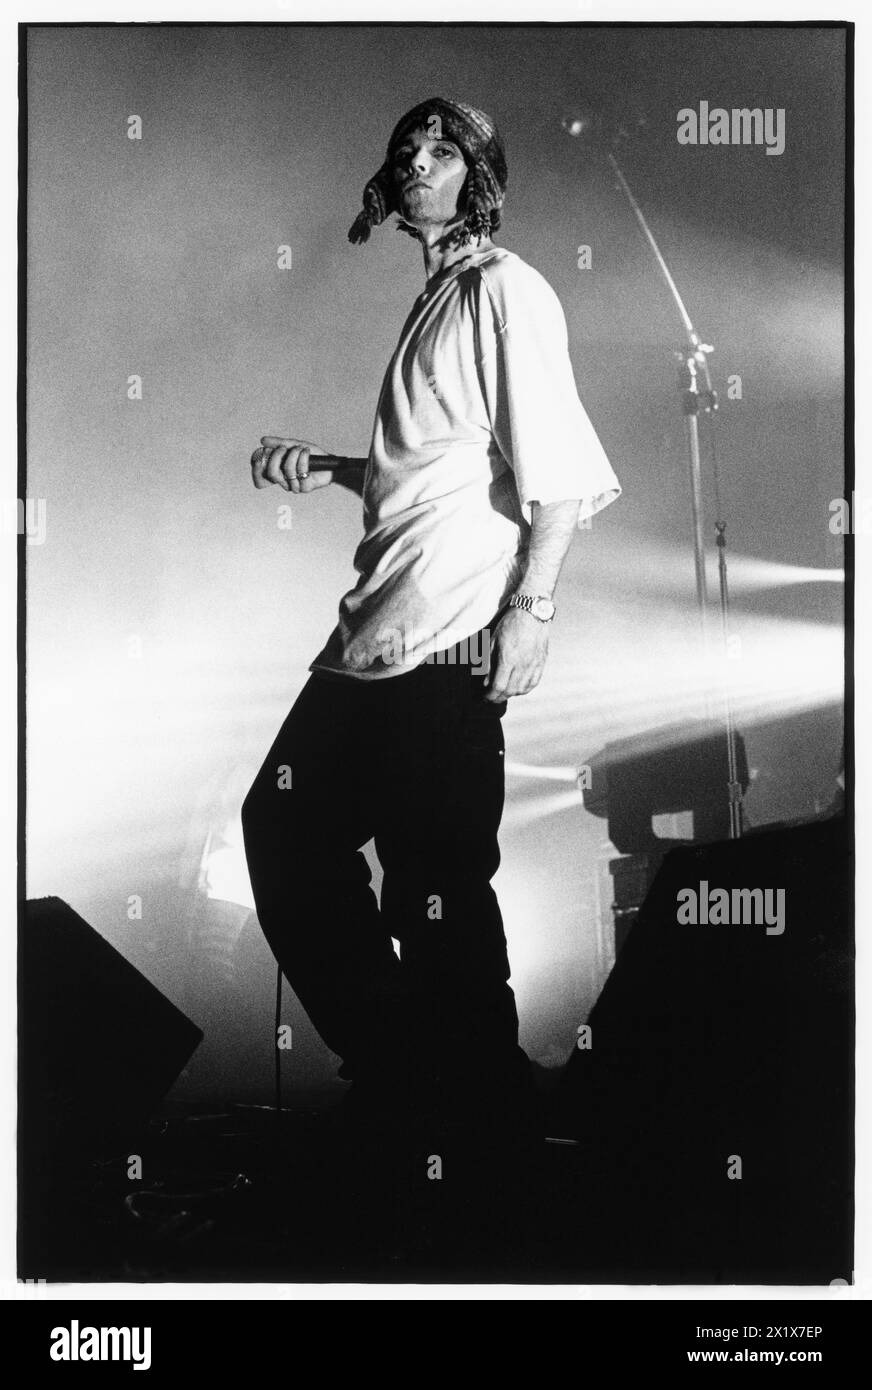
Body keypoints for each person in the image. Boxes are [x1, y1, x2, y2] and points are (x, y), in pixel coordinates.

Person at [241, 97, 621, 1153]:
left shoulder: (504, 290)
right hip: (372, 641)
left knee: (436, 891)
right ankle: (412, 1077)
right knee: (283, 833)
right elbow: (442, 472)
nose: (416, 159)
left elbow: (554, 482)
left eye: (442, 149)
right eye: (407, 146)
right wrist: (329, 466)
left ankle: (479, 1137)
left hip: (447, 646)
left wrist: (532, 609)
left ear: (479, 178)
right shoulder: (437, 300)